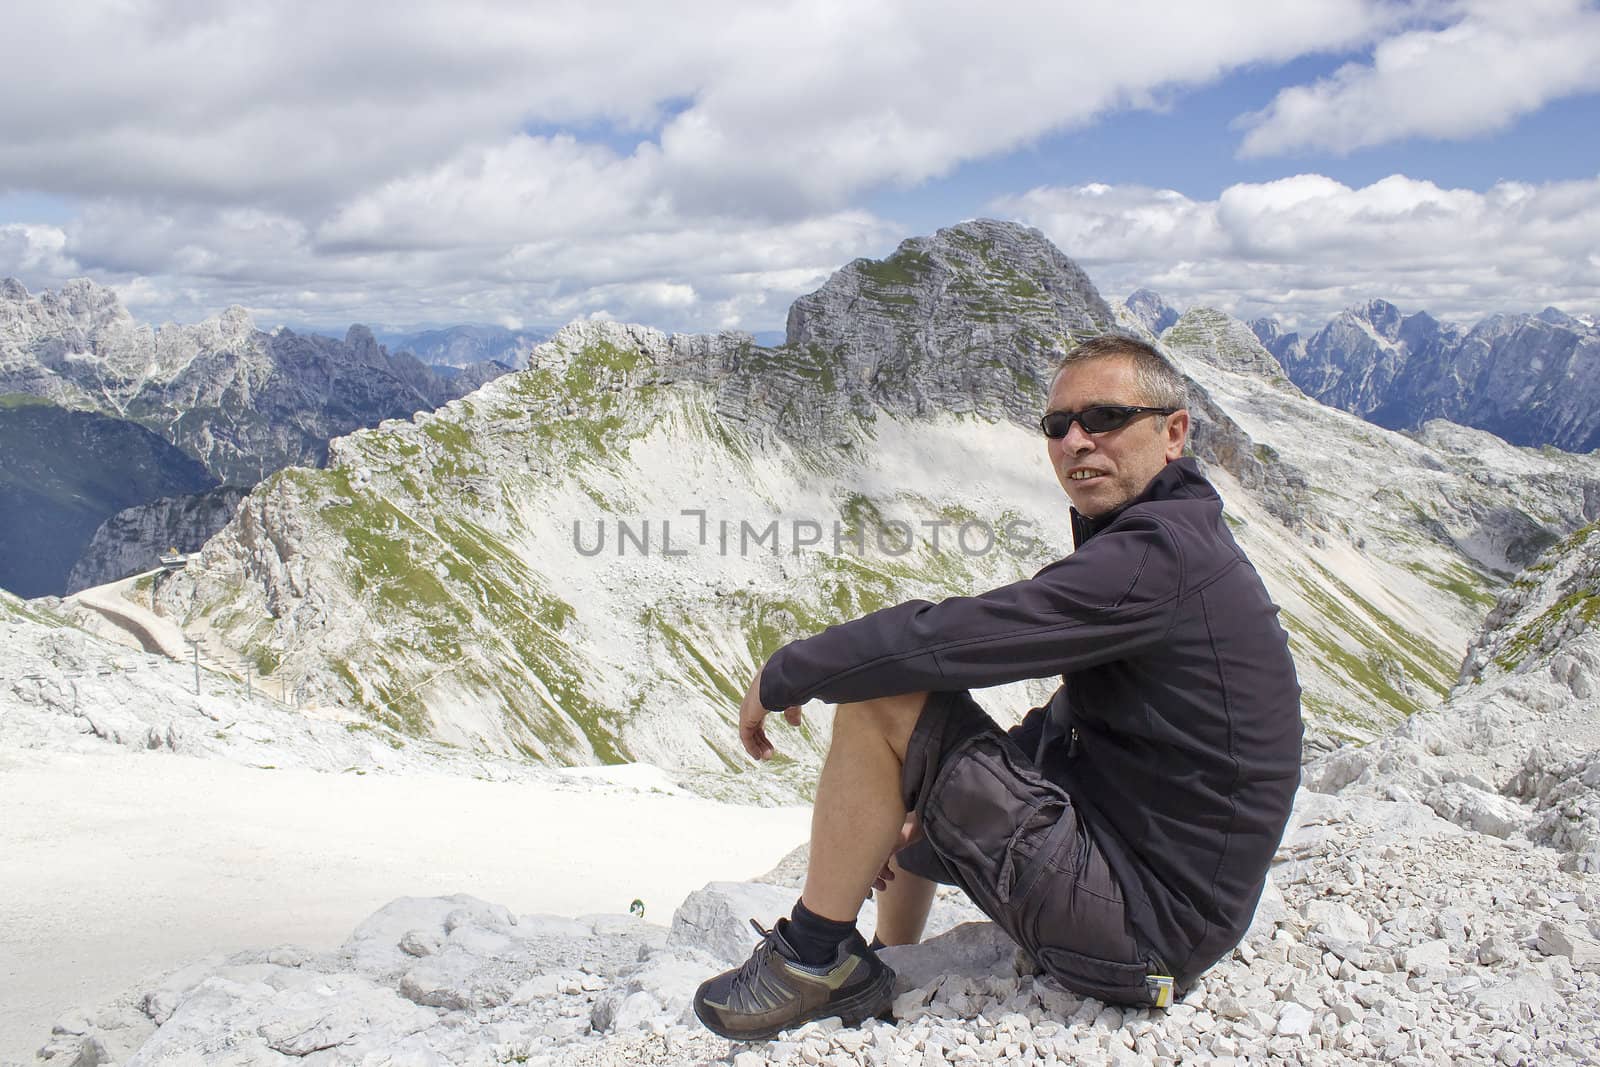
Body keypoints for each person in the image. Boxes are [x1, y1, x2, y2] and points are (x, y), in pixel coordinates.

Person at [692, 335, 1303, 1042]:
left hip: (1143, 934)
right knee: (916, 761)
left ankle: (811, 957)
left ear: (1173, 432)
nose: (1076, 441)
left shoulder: (1153, 557)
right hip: (1155, 899)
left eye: (1104, 417)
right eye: (1057, 425)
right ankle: (890, 960)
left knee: (884, 695)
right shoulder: (1173, 538)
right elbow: (1082, 721)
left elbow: (957, 641)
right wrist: (926, 806)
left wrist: (791, 669)